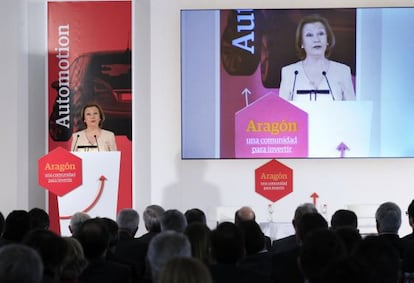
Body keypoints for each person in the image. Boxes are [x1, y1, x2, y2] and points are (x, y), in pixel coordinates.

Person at [278, 14, 355, 101]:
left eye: (321, 33)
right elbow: (282, 111)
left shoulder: (342, 71)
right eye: (309, 35)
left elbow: (352, 110)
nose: (316, 39)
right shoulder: (289, 73)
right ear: (302, 43)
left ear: (327, 40)